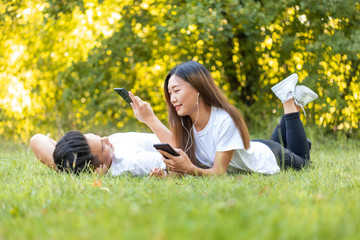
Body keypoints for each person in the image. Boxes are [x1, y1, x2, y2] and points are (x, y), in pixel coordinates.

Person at [129, 60, 318, 176]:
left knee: (303, 161)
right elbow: (177, 148)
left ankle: (288, 99)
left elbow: (218, 173)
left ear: (198, 88)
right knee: (297, 146)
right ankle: (296, 109)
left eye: (176, 91)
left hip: (268, 155)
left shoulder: (224, 119)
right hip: (249, 148)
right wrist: (149, 119)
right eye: (169, 93)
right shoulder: (186, 124)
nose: (173, 99)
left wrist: (187, 168)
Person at [30, 131, 166, 176]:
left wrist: (70, 169)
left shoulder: (95, 151)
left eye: (98, 136)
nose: (106, 139)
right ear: (97, 167)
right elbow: (179, 159)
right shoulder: (131, 162)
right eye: (102, 146)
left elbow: (37, 140)